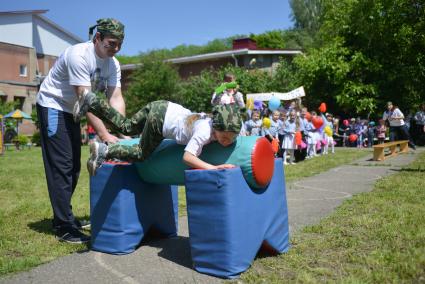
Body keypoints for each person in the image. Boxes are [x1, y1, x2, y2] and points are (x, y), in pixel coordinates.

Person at [36, 18, 126, 244]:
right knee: (62, 166)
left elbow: (115, 98)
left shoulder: (113, 63)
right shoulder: (78, 55)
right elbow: (86, 101)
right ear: (97, 38)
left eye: (119, 44)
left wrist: (124, 131)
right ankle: (64, 225)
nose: (115, 49)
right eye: (111, 43)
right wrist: (104, 135)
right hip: (53, 105)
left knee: (74, 166)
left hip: (73, 109)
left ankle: (64, 217)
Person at [73, 95, 243, 174]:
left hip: (163, 106)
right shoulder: (204, 131)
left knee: (126, 127)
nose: (228, 141)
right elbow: (187, 158)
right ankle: (105, 150)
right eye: (224, 137)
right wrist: (213, 168)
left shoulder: (217, 125)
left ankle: (91, 101)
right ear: (215, 128)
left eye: (232, 138)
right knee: (141, 153)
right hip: (160, 119)